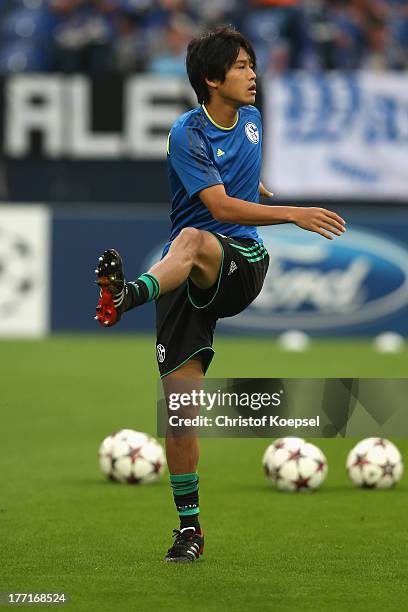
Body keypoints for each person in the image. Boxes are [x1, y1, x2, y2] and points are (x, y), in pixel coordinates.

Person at [94, 25, 346, 563]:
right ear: (211, 79)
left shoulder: (252, 120)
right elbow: (222, 203)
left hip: (240, 263)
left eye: (252, 64)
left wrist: (263, 192)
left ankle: (126, 297)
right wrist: (294, 212)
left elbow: (234, 200)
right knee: (180, 410)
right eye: (240, 66)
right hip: (189, 270)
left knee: (190, 238)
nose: (253, 74)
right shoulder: (186, 133)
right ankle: (190, 531)